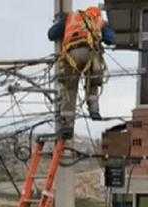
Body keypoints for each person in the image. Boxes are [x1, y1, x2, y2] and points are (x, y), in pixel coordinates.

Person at [47, 6, 115, 138]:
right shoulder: (98, 20)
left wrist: (61, 23)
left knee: (70, 89)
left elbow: (51, 34)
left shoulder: (70, 19)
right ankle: (94, 110)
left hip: (71, 55)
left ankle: (67, 125)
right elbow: (111, 39)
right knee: (93, 82)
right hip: (91, 53)